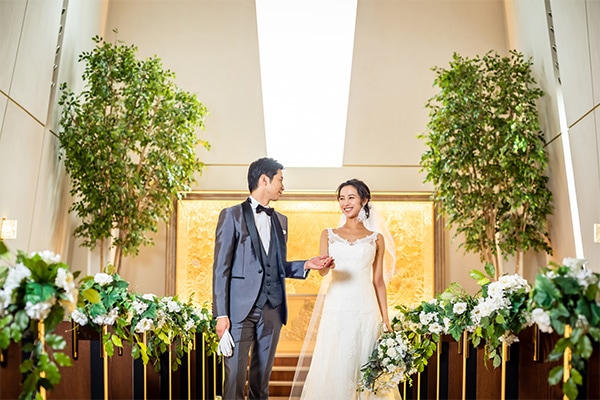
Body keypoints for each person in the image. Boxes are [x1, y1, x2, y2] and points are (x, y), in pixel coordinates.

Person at [212, 157, 334, 400]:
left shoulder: (281, 221)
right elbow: (220, 268)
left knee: (261, 384)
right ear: (264, 180)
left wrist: (306, 265)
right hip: (239, 312)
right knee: (234, 380)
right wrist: (221, 314)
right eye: (280, 180)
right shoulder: (231, 215)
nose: (283, 186)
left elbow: (275, 266)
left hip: (272, 310)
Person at [290, 179, 402, 400]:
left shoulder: (376, 239)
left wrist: (386, 319)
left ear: (364, 200)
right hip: (337, 306)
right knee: (336, 361)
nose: (345, 203)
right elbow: (322, 272)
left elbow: (378, 280)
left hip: (365, 308)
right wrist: (325, 265)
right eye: (341, 198)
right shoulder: (328, 234)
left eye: (351, 197)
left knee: (364, 361)